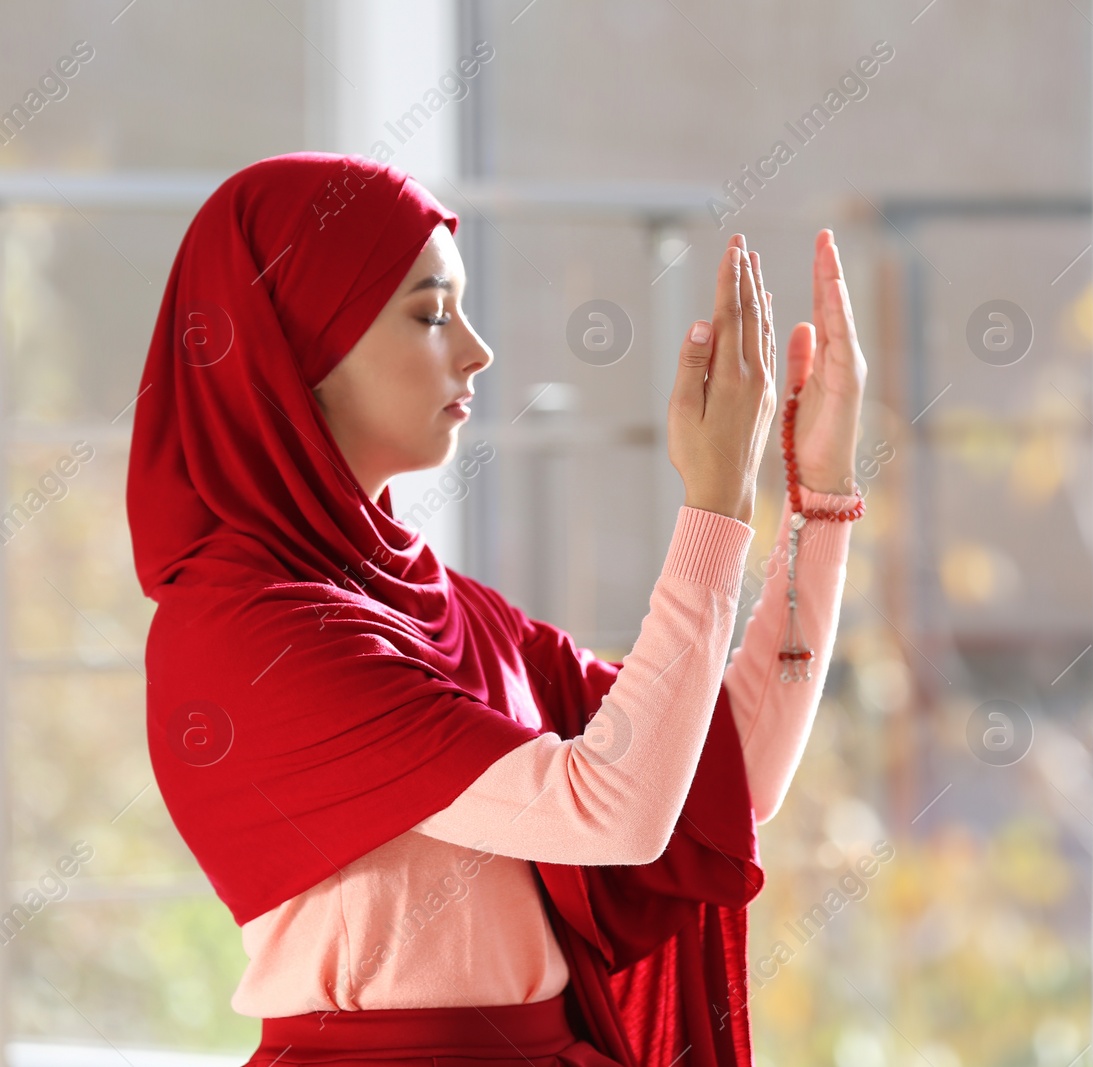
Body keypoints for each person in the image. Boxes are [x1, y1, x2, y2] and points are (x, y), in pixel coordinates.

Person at [125, 152, 868, 1067]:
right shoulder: (245, 636)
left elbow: (729, 774)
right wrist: (714, 505)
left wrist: (820, 501)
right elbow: (614, 812)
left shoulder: (442, 607)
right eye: (432, 313)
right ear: (297, 347)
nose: (476, 348)